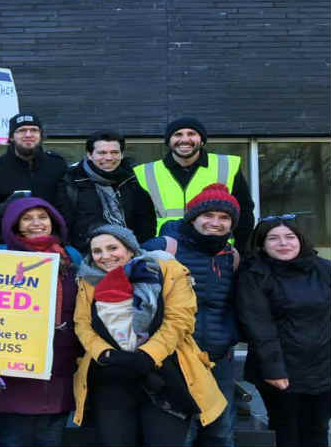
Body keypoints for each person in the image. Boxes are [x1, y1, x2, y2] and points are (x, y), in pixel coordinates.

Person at [72, 225, 227, 446]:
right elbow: (82, 324)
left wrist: (146, 356)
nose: (105, 256)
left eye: (112, 248)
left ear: (130, 249)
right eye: (97, 251)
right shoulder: (87, 280)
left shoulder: (167, 271)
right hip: (112, 377)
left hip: (165, 375)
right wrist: (104, 353)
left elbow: (179, 321)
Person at [0, 197, 82, 446]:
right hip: (12, 371)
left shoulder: (71, 259)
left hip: (58, 368)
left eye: (42, 217)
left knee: (51, 438)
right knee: (12, 438)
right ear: (16, 225)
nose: (36, 223)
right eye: (27, 218)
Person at [142, 183, 240, 447]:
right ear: (193, 217)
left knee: (220, 434)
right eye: (208, 215)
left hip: (219, 359)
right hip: (175, 360)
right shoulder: (164, 247)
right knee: (179, 436)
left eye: (224, 218)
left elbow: (230, 305)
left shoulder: (231, 256)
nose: (215, 223)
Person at [236, 215, 330, 447]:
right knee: (287, 431)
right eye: (273, 238)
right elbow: (258, 326)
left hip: (323, 367)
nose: (283, 243)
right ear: (262, 244)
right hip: (280, 371)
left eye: (290, 237)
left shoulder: (323, 269)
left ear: (300, 240)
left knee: (318, 429)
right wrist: (274, 369)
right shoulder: (254, 274)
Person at [133, 117, 254, 252]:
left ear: (201, 140)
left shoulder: (227, 166)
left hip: (218, 250)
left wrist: (240, 250)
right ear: (168, 141)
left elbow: (244, 213)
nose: (184, 139)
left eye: (191, 134)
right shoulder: (146, 172)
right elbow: (140, 220)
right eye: (178, 134)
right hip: (166, 251)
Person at [0, 113, 69, 247]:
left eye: (34, 130)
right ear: (11, 137)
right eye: (22, 130)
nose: (28, 134)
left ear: (41, 135)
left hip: (51, 245)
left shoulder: (57, 165)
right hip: (7, 247)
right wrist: (4, 208)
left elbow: (67, 206)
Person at [65, 130, 155, 253]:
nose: (108, 157)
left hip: (130, 253)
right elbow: (65, 224)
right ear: (90, 155)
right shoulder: (71, 181)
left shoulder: (131, 180)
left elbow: (145, 221)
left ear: (122, 154)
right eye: (102, 153)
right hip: (87, 257)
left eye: (114, 152)